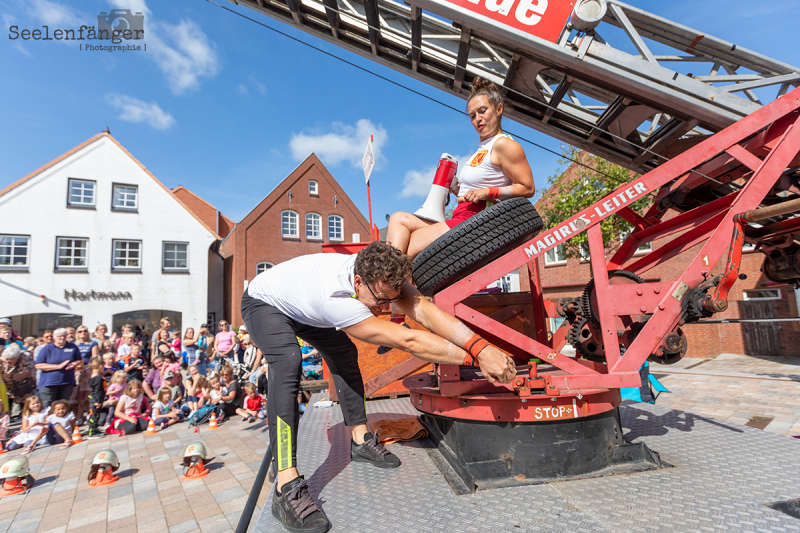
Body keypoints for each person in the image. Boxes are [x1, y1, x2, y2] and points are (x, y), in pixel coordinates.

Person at [241, 241, 516, 533]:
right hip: (265, 303)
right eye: (380, 300)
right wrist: (479, 357)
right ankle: (286, 482)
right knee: (288, 362)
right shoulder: (336, 301)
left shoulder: (380, 273)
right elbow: (407, 340)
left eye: (392, 300)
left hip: (302, 302)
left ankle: (360, 441)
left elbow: (422, 310)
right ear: (358, 281)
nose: (386, 308)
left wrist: (481, 346)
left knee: (345, 353)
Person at [383, 77, 535, 345]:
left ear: (499, 109)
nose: (477, 119)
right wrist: (457, 189)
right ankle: (398, 308)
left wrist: (489, 193)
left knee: (402, 249)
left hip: (473, 223)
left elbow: (527, 187)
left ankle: (399, 308)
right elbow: (481, 185)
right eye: (472, 115)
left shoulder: (504, 145)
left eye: (483, 111)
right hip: (461, 216)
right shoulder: (483, 149)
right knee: (398, 220)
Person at [34, 328, 83, 409]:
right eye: (59, 336)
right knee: (48, 407)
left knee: (63, 407)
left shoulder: (72, 347)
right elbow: (38, 365)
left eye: (64, 336)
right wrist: (57, 367)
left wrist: (74, 363)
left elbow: (79, 360)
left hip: (67, 382)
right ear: (54, 337)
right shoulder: (47, 348)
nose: (62, 338)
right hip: (49, 383)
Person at [1, 344, 36, 418]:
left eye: (10, 359)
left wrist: (11, 376)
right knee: (6, 405)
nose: (8, 362)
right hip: (7, 385)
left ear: (18, 357)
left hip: (24, 385)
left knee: (25, 404)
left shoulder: (25, 357)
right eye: (6, 359)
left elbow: (28, 373)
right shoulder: (3, 358)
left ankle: (24, 421)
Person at [87, 357, 106, 439]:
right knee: (93, 417)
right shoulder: (98, 378)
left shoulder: (92, 377)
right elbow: (97, 391)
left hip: (94, 399)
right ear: (100, 366)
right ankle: (92, 433)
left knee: (96, 415)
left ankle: (95, 429)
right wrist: (98, 401)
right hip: (95, 400)